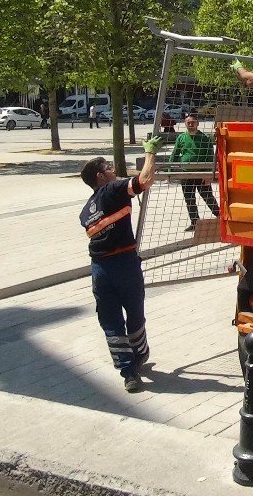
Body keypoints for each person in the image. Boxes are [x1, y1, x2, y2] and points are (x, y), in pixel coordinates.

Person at [79, 136, 161, 393]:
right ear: (100, 177)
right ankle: (136, 359)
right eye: (109, 168)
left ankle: (129, 371)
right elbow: (144, 180)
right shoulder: (112, 191)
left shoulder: (86, 209)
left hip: (100, 270)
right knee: (134, 313)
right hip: (124, 264)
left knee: (111, 320)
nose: (114, 170)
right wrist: (150, 153)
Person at [169, 114, 220, 233]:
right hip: (186, 174)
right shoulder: (181, 138)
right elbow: (175, 155)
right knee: (189, 199)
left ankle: (219, 216)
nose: (190, 124)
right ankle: (195, 222)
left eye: (193, 122)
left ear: (198, 123)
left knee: (208, 197)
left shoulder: (204, 138)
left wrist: (208, 175)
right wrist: (169, 171)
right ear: (185, 123)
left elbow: (210, 157)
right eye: (188, 122)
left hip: (202, 174)